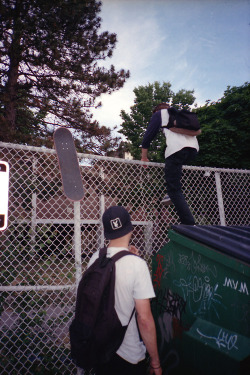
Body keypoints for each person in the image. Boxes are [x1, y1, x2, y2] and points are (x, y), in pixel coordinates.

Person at [88, 205, 162, 375]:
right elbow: (144, 319)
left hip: (100, 349)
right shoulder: (137, 265)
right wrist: (156, 363)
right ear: (130, 229)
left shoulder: (95, 259)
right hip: (128, 356)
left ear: (107, 233)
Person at [141, 102, 201, 225]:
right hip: (193, 150)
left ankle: (189, 224)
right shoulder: (181, 115)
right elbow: (198, 131)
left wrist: (144, 157)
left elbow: (148, 136)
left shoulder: (159, 114)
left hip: (176, 150)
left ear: (156, 111)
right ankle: (170, 193)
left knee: (174, 189)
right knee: (174, 178)